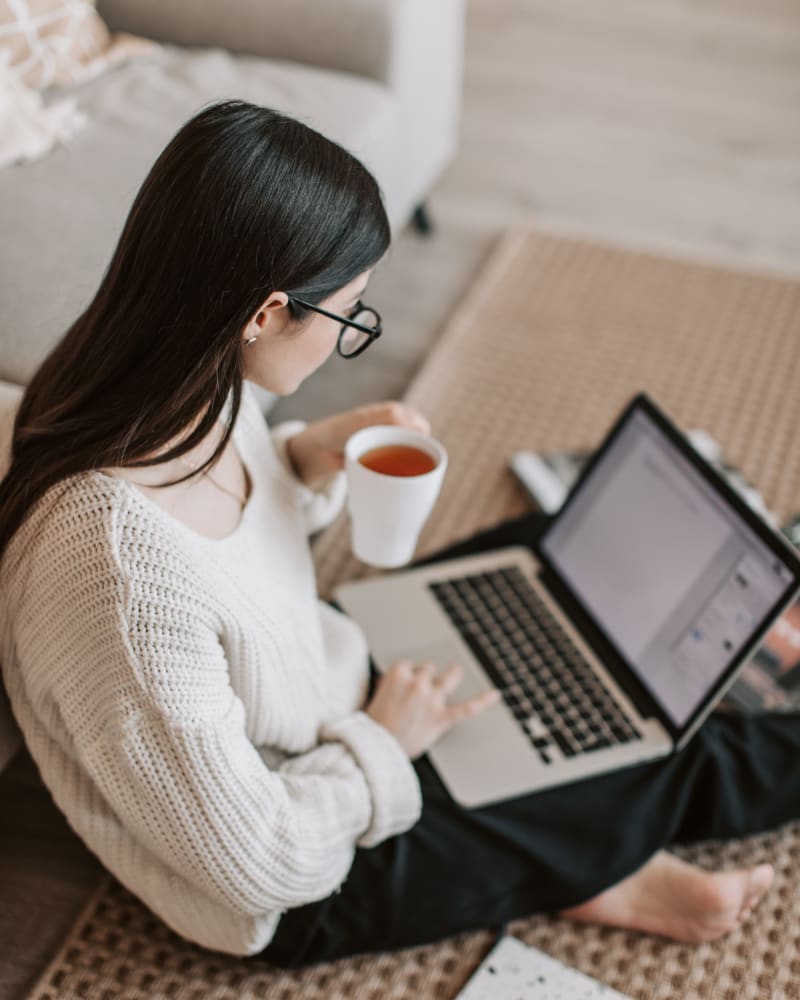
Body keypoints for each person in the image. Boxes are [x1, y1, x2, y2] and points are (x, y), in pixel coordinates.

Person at [0, 100, 796, 966]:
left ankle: (571, 858)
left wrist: (305, 460)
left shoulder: (160, 379)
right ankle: (586, 863)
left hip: (322, 680)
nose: (348, 338)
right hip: (302, 867)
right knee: (656, 744)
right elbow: (259, 861)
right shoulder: (118, 586)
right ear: (264, 315)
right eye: (348, 317)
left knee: (543, 562)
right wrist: (385, 738)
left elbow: (223, 543)